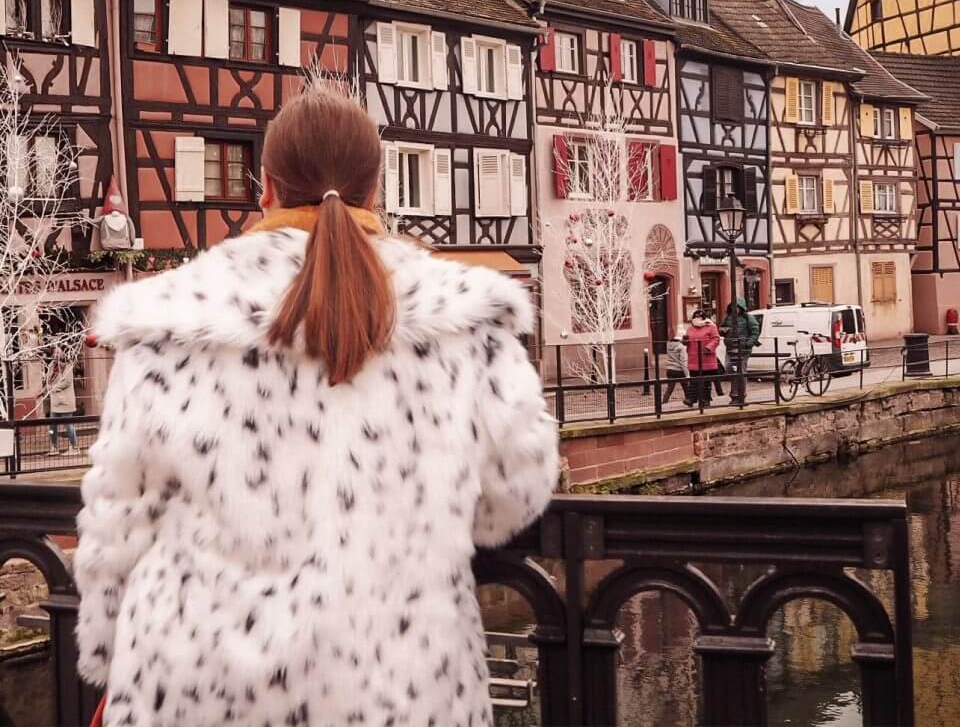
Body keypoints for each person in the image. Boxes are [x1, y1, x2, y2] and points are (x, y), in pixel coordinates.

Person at [75, 87, 560, 727]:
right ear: (376, 187)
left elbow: (119, 521)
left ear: (265, 188)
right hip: (396, 686)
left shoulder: (171, 322)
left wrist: (107, 651)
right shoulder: (460, 318)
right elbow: (513, 492)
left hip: (200, 686)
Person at [722, 298, 761, 406]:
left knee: (741, 371)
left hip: (743, 348)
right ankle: (734, 395)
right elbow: (722, 328)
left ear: (741, 308)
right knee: (730, 369)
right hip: (731, 348)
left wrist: (748, 343)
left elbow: (755, 331)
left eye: (737, 307)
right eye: (733, 307)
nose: (735, 309)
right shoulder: (728, 317)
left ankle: (740, 396)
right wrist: (723, 331)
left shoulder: (748, 318)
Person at [683, 309, 720, 407]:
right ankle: (692, 399)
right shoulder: (690, 329)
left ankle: (705, 400)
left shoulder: (711, 327)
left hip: (706, 358)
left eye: (699, 317)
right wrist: (684, 341)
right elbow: (687, 341)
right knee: (694, 380)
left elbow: (716, 339)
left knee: (706, 381)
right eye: (695, 317)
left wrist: (709, 347)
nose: (697, 319)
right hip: (693, 358)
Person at [46, 351, 79, 455]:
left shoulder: (68, 366)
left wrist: (54, 388)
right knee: (52, 426)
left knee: (68, 425)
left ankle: (74, 446)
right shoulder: (51, 366)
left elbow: (67, 382)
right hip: (55, 402)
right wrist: (43, 391)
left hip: (65, 401)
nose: (56, 356)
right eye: (55, 354)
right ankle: (54, 446)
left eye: (58, 354)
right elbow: (49, 382)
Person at [661, 324, 689, 406]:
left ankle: (664, 402)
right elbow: (683, 361)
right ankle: (689, 401)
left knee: (669, 388)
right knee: (686, 387)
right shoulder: (682, 347)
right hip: (679, 370)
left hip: (670, 369)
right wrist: (687, 374)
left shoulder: (668, 344)